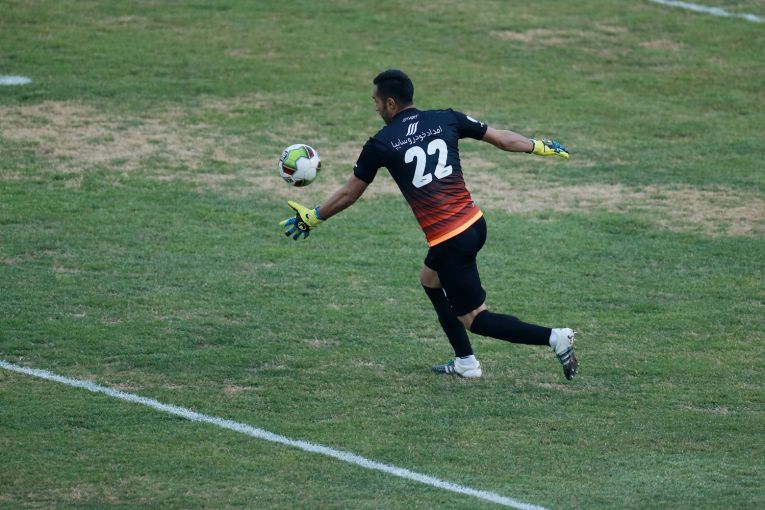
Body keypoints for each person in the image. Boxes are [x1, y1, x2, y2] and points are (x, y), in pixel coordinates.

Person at [280, 69, 578, 380]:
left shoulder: (381, 143)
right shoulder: (445, 118)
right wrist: (538, 145)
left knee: (476, 319)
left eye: (376, 102)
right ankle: (465, 362)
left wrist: (314, 217)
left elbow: (349, 193)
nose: (376, 108)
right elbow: (502, 139)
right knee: (430, 279)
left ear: (391, 103)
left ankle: (554, 338)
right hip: (474, 224)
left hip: (450, 239)